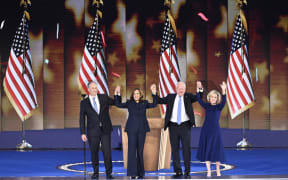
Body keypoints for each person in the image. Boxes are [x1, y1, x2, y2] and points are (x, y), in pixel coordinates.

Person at [157, 81, 203, 178]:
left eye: (182, 88)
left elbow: (199, 97)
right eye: (179, 88)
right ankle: (178, 171)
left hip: (185, 126)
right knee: (175, 149)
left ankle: (187, 171)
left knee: (186, 149)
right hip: (173, 126)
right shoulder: (170, 97)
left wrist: (199, 89)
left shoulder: (188, 96)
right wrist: (154, 93)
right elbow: (159, 100)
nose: (181, 90)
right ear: (176, 89)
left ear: (185, 89)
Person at [114, 84, 157, 179]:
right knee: (132, 151)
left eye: (138, 93)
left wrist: (154, 93)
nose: (136, 95)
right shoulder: (129, 103)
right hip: (132, 130)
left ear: (140, 95)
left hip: (142, 130)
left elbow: (154, 104)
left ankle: (141, 172)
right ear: (133, 95)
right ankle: (132, 173)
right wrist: (117, 94)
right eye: (134, 94)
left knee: (140, 151)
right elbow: (118, 104)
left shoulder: (145, 103)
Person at [79, 81, 115, 179]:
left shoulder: (103, 97)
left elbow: (115, 102)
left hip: (105, 130)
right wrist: (82, 133)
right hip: (92, 131)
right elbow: (82, 118)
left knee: (107, 152)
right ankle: (96, 172)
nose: (95, 90)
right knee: (94, 152)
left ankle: (109, 173)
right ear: (89, 89)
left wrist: (117, 94)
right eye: (93, 88)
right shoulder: (84, 102)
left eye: (96, 88)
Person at [196, 81, 227, 177]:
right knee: (207, 150)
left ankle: (218, 170)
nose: (213, 98)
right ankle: (209, 170)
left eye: (215, 97)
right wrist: (198, 89)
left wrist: (224, 90)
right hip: (206, 130)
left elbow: (224, 100)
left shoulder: (219, 107)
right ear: (209, 98)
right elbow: (199, 100)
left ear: (217, 99)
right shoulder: (206, 106)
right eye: (212, 97)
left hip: (215, 131)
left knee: (216, 150)